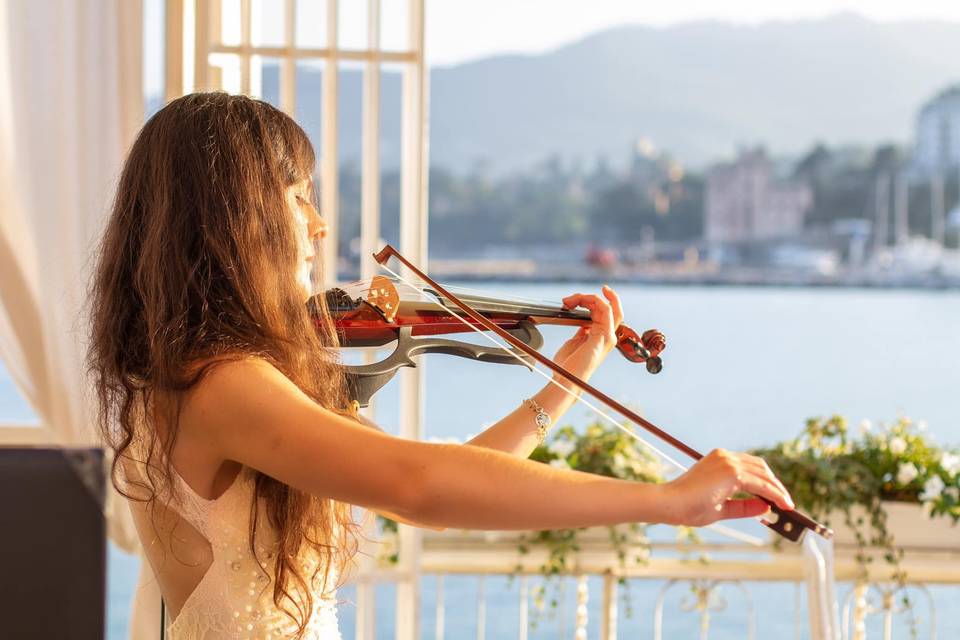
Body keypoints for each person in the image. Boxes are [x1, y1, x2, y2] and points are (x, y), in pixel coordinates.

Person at [88, 92, 794, 640]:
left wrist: (565, 384)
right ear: (234, 214)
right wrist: (665, 502)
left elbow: (435, 490)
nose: (318, 224)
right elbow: (420, 485)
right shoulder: (223, 384)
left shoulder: (208, 377)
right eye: (297, 195)